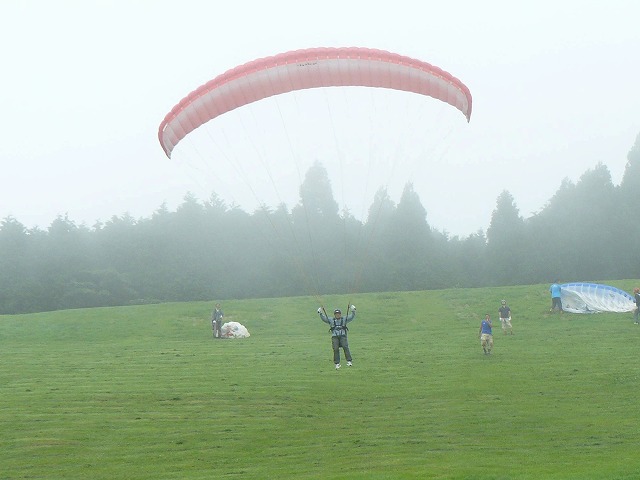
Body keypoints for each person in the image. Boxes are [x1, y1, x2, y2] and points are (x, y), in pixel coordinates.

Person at [318, 305, 356, 369]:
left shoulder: (344, 319)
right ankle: (337, 363)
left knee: (345, 346)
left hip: (342, 336)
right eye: (336, 314)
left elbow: (351, 317)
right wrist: (321, 313)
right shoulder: (331, 320)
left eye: (338, 314)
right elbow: (324, 319)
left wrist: (353, 310)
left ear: (340, 314)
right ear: (334, 315)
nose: (337, 315)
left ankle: (349, 361)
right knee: (335, 349)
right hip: (335, 337)